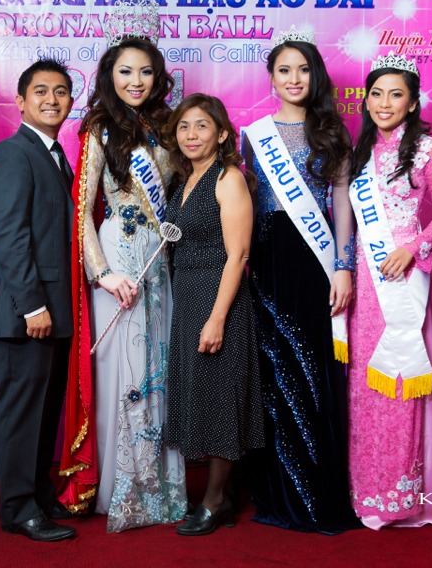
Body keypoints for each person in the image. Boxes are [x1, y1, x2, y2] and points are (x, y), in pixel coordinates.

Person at [61, 31, 188, 532]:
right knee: (126, 372)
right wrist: (103, 271)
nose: (136, 81)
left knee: (158, 365)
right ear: (109, 77)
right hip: (117, 252)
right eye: (125, 72)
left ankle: (160, 487)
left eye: (145, 72)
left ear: (158, 78)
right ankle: (123, 486)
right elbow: (82, 209)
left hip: (160, 261)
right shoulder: (98, 128)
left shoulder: (167, 125)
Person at [242, 27, 360, 533]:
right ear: (271, 77)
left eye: (303, 69)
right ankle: (277, 489)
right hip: (267, 266)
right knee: (273, 376)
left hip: (316, 266)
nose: (294, 78)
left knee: (313, 372)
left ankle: (316, 489)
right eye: (284, 69)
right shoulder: (252, 135)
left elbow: (342, 205)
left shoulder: (333, 131)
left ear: (316, 76)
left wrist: (344, 265)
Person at [346, 53, 432, 528]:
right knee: (362, 383)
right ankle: (362, 487)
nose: (384, 102)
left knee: (397, 379)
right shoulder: (360, 152)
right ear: (366, 100)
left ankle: (398, 494)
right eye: (377, 93)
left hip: (402, 280)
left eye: (397, 94)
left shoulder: (428, 150)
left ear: (412, 103)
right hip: (365, 281)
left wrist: (413, 248)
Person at [0, 58, 77, 542]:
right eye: (40, 91)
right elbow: (9, 236)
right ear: (20, 101)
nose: (51, 100)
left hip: (54, 311)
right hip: (25, 312)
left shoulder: (56, 154)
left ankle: (38, 494)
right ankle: (18, 509)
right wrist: (32, 306)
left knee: (44, 410)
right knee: (21, 412)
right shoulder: (11, 154)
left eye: (61, 92)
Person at [164, 94, 264, 535]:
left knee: (222, 393)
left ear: (222, 133)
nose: (191, 135)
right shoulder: (183, 180)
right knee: (200, 390)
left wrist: (218, 317)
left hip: (218, 294)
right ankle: (216, 494)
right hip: (187, 294)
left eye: (202, 126)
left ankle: (217, 499)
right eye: (184, 126)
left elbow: (238, 255)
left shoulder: (228, 178)